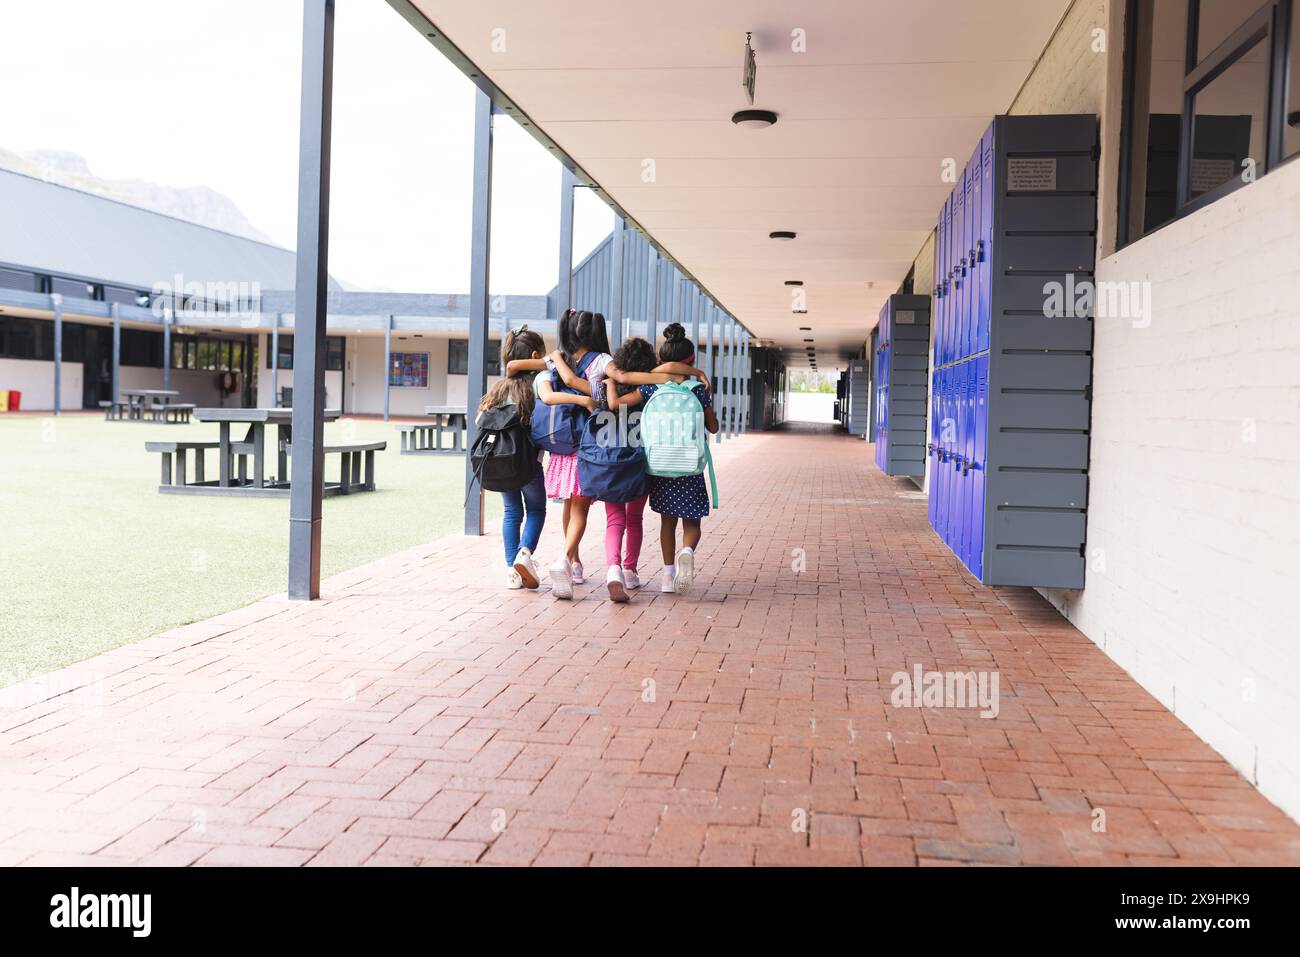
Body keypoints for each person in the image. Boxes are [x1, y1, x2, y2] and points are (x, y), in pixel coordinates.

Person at [631, 323, 719, 594]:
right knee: (692, 524)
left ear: (660, 360)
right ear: (691, 360)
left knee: (666, 523)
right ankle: (688, 552)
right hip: (690, 466)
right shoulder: (696, 389)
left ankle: (668, 577)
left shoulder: (650, 389)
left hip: (660, 464)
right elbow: (713, 427)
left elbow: (621, 401)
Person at [475, 326, 550, 589]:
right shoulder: (537, 386)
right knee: (537, 509)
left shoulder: (498, 388)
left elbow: (479, 420)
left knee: (511, 512)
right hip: (528, 463)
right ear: (534, 355)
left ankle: (512, 571)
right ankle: (524, 554)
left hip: (500, 462)